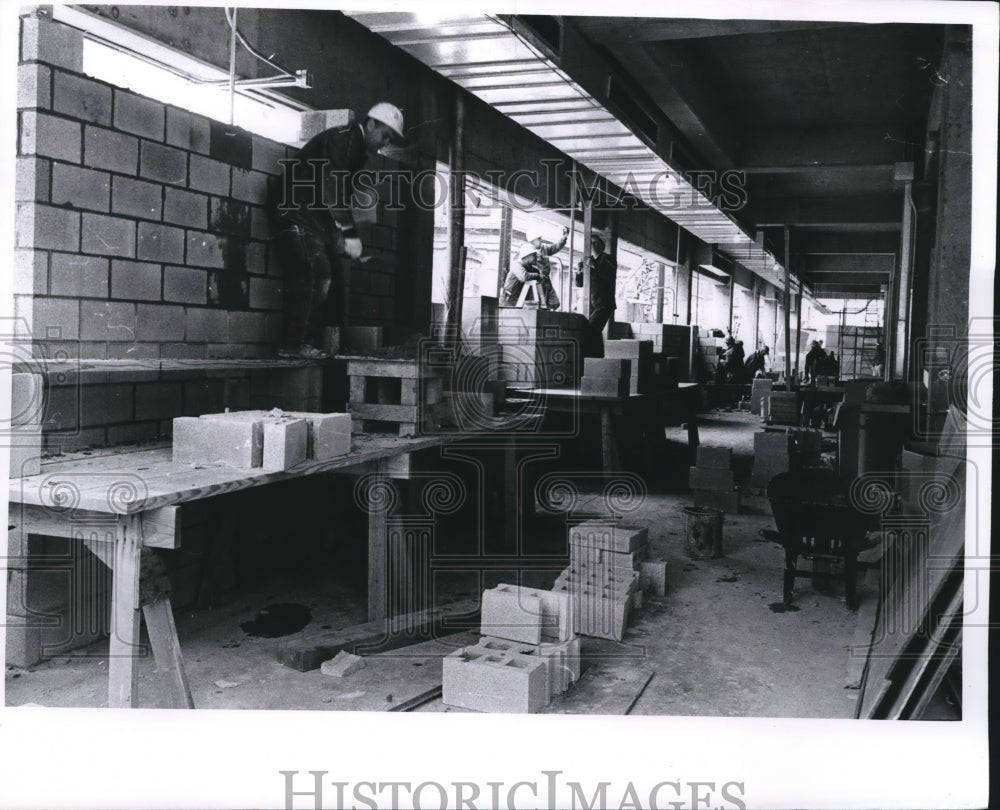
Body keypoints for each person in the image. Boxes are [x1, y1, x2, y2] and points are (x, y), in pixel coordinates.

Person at [269, 102, 405, 359]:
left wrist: (338, 239)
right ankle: (293, 344)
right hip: (293, 210)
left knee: (332, 277)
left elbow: (333, 198)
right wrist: (350, 234)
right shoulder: (343, 140)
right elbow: (332, 191)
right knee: (317, 271)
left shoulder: (354, 150)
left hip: (309, 216)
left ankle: (324, 344)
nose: (384, 143)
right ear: (371, 123)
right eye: (385, 135)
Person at [501, 226, 569, 309]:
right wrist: (538, 276)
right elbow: (524, 276)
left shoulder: (544, 248)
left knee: (552, 303)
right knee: (537, 305)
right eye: (539, 239)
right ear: (532, 241)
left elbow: (556, 247)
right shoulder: (521, 258)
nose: (541, 240)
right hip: (514, 294)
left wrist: (564, 238)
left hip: (542, 281)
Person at [575, 233, 618, 340]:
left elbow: (609, 277)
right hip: (592, 303)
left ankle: (593, 355)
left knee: (592, 329)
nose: (592, 245)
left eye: (594, 242)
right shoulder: (588, 261)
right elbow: (579, 284)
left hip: (604, 303)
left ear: (601, 245)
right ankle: (594, 354)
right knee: (591, 331)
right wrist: (579, 271)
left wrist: (594, 266)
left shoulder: (608, 259)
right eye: (590, 243)